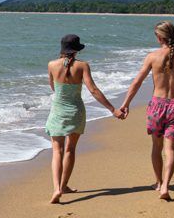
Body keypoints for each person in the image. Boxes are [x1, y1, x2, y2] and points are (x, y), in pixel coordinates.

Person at [117, 21, 174, 201]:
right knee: (170, 150)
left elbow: (137, 82)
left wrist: (125, 104)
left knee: (156, 147)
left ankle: (158, 183)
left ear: (158, 38)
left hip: (156, 107)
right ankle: (166, 185)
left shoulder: (152, 56)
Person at [45, 33, 120, 203]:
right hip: (76, 111)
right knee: (70, 150)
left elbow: (53, 87)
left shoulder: (51, 64)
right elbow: (93, 90)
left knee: (57, 151)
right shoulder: (83, 66)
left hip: (57, 110)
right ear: (77, 50)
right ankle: (64, 186)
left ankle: (56, 188)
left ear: (62, 49)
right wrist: (112, 109)